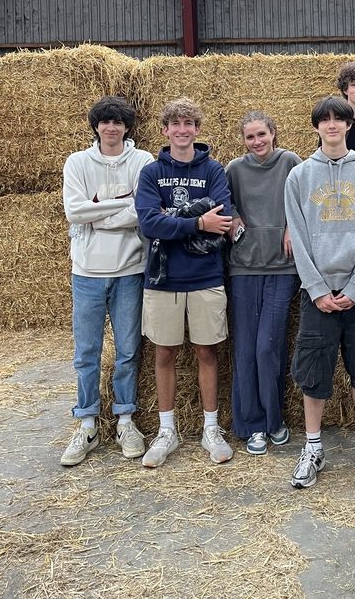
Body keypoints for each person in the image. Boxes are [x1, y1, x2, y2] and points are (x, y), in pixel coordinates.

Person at [284, 95, 355, 489]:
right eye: (324, 120)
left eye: (339, 119)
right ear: (316, 127)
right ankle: (313, 446)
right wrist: (315, 289)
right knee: (313, 371)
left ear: (349, 125)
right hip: (318, 294)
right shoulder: (299, 177)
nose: (332, 125)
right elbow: (297, 234)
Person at [136, 97, 233, 469]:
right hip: (162, 277)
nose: (182, 129)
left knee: (207, 351)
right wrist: (196, 221)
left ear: (197, 129)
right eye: (175, 123)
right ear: (164, 130)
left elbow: (221, 222)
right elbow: (149, 224)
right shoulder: (150, 173)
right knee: (164, 352)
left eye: (188, 123)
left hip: (206, 275)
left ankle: (211, 428)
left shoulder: (213, 170)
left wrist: (172, 217)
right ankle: (167, 430)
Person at [61, 96, 154, 466]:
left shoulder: (143, 161)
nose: (111, 128)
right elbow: (73, 210)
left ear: (127, 127)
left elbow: (143, 210)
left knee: (128, 350)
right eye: (105, 122)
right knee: (87, 352)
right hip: (86, 272)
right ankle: (86, 423)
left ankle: (125, 419)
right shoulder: (77, 163)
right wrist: (120, 205)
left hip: (130, 269)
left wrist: (98, 214)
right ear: (96, 126)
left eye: (118, 122)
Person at [226, 111, 302, 455]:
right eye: (250, 137)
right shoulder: (234, 169)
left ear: (274, 133)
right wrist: (235, 215)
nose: (256, 142)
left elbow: (304, 200)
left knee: (268, 347)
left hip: (282, 267)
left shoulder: (290, 162)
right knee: (245, 347)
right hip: (244, 267)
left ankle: (275, 420)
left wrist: (291, 226)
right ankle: (252, 425)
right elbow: (220, 199)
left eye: (262, 134)